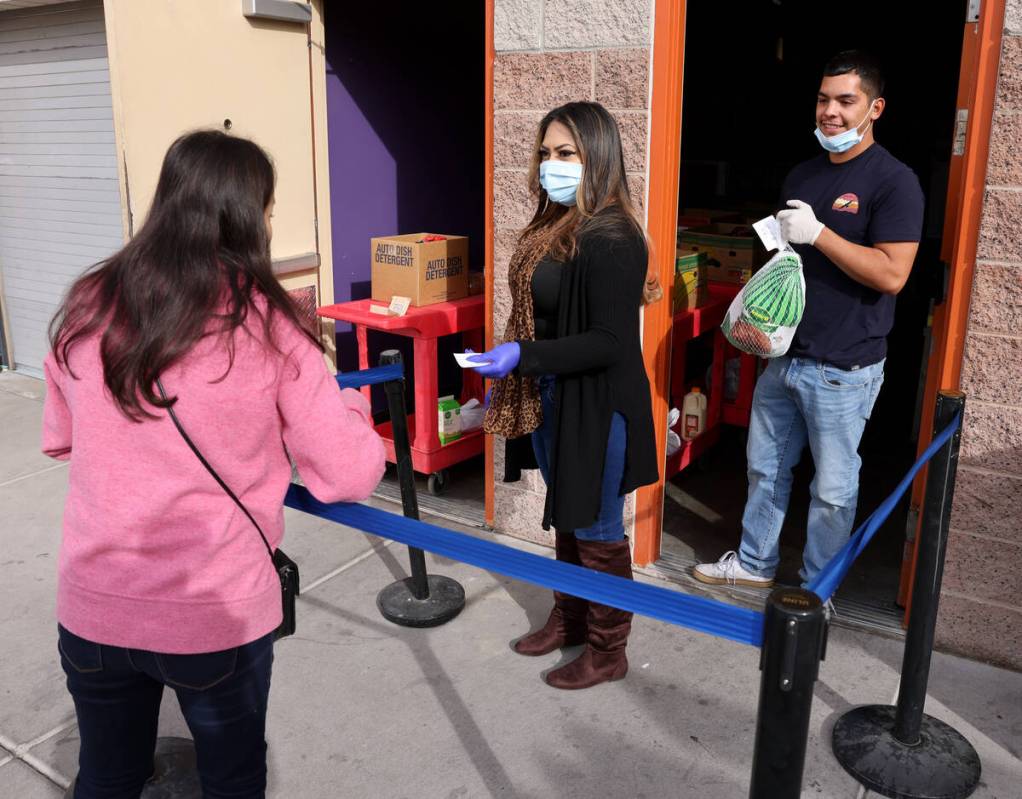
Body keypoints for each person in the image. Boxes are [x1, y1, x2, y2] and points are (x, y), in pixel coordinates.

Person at [43, 130, 386, 798]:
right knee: (231, 775)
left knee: (106, 774)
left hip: (92, 605)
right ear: (250, 215)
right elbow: (346, 474)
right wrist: (353, 410)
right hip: (214, 612)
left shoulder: (88, 303)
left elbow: (63, 438)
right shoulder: (269, 324)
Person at [695, 51, 924, 590]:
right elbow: (787, 265)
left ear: (875, 108)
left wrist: (819, 233)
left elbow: (893, 275)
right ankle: (754, 565)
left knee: (833, 491)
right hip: (784, 355)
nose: (831, 112)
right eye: (824, 99)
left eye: (846, 100)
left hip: (845, 368)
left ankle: (818, 589)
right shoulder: (803, 173)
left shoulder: (895, 183)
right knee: (764, 471)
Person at [469, 101, 660, 690]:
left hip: (597, 405)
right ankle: (570, 618)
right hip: (552, 395)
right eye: (547, 153)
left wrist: (522, 355)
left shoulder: (611, 236)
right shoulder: (555, 224)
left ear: (597, 157)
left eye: (566, 153)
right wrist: (523, 360)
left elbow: (608, 341)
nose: (551, 164)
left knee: (598, 525)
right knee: (569, 515)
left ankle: (608, 651)